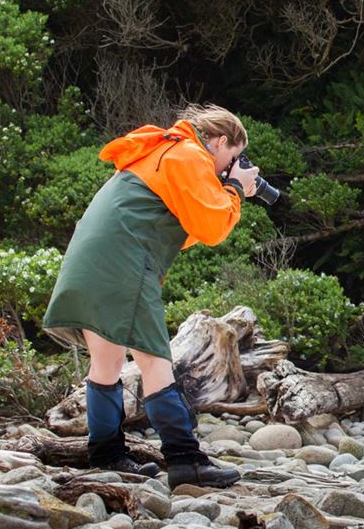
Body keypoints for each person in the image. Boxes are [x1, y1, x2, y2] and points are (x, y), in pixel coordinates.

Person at [42, 104, 259, 488]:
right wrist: (236, 189)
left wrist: (227, 189)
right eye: (233, 157)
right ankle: (185, 459)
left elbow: (185, 228)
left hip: (88, 263)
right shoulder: (190, 154)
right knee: (156, 362)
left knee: (106, 365)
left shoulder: (162, 149)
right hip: (123, 264)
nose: (230, 166)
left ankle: (106, 455)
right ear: (220, 141)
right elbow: (212, 229)